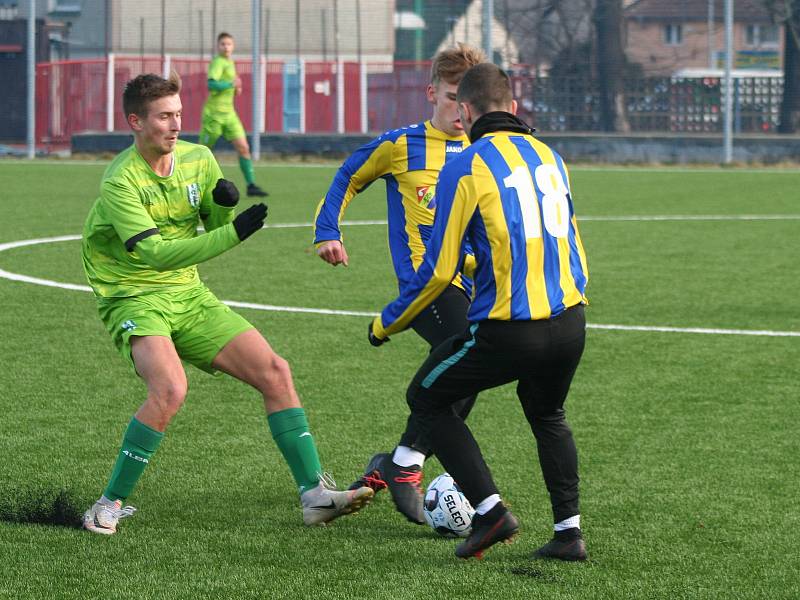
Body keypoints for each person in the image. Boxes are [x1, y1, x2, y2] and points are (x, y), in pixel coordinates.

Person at [80, 72, 373, 535]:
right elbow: (154, 255)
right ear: (136, 121)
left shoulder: (198, 158)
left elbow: (211, 218)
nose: (176, 126)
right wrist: (232, 232)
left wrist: (222, 205)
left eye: (178, 114)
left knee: (275, 371)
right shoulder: (119, 181)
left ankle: (314, 496)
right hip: (133, 294)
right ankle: (107, 503)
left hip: (189, 294)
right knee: (171, 390)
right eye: (163, 117)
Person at [368, 63, 590, 561]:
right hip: (571, 321)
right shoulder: (551, 156)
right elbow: (571, 245)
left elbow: (438, 271)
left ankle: (490, 514)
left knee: (426, 397)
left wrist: (387, 323)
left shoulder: (465, 165)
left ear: (465, 113)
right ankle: (568, 534)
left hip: (511, 329)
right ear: (513, 108)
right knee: (548, 414)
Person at [313, 44, 486, 525]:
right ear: (432, 93)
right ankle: (407, 463)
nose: (461, 110)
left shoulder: (485, 149)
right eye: (452, 98)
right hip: (426, 283)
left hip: (476, 282)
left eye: (468, 100)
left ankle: (392, 466)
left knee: (475, 368)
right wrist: (328, 231)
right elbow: (348, 175)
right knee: (466, 351)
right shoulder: (402, 144)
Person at [199, 32, 268, 198]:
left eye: (229, 44)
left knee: (244, 147)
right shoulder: (218, 62)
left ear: (233, 46)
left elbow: (229, 85)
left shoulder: (231, 63)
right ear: (218, 46)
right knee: (203, 152)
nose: (226, 47)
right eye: (223, 44)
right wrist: (231, 84)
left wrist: (236, 88)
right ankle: (194, 185)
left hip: (229, 114)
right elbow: (211, 84)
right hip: (214, 114)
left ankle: (251, 185)